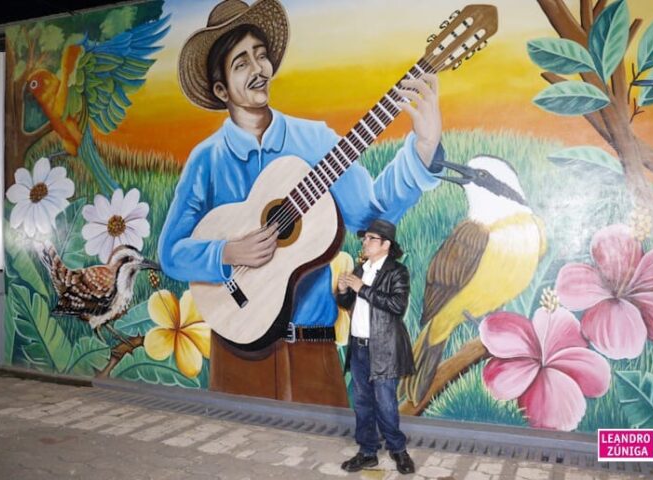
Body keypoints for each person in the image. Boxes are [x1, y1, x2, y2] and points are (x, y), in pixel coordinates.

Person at [159, 0, 443, 406]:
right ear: (221, 89)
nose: (258, 69)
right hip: (236, 349)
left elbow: (371, 215)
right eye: (241, 62)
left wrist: (424, 148)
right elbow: (171, 252)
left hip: (313, 350)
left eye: (261, 55)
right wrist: (227, 252)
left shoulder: (314, 141)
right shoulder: (208, 159)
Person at [337, 219, 415, 474]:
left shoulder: (397, 271)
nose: (365, 242)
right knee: (362, 403)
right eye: (365, 238)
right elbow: (349, 303)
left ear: (386, 244)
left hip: (383, 348)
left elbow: (397, 306)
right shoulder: (361, 269)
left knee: (386, 403)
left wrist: (362, 288)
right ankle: (368, 451)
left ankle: (398, 450)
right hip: (359, 348)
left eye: (371, 238)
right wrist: (343, 291)